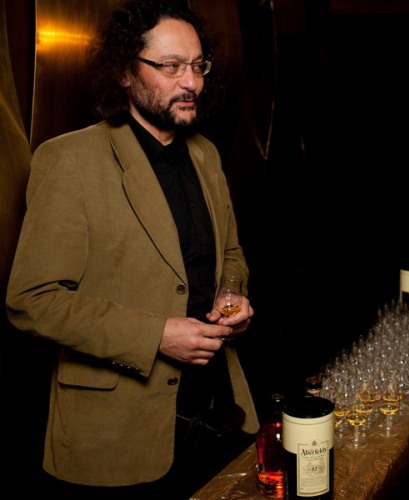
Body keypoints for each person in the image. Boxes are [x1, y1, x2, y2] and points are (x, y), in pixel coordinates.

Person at [5, 1, 258, 498]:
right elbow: (31, 300)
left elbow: (230, 253)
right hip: (117, 438)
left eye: (198, 65)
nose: (191, 82)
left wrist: (234, 297)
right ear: (124, 71)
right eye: (171, 66)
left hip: (216, 409)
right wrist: (155, 336)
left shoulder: (205, 154)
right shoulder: (69, 160)